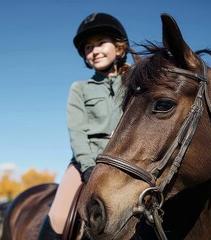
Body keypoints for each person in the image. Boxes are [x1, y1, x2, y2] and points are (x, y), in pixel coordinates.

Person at [38, 12, 135, 239]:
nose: (95, 51)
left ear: (119, 48)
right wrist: (88, 166)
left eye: (101, 43)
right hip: (86, 162)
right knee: (60, 218)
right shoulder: (80, 88)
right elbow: (77, 131)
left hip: (127, 160)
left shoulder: (134, 82)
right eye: (89, 48)